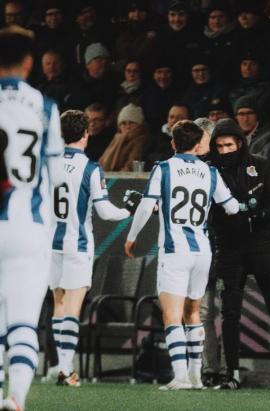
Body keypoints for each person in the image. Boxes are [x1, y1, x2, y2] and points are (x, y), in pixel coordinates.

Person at [124, 120, 239, 390]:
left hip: (175, 252)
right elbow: (232, 207)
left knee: (172, 316)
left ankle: (180, 377)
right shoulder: (210, 171)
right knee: (194, 313)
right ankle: (196, 376)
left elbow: (145, 207)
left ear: (173, 143)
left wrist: (131, 237)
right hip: (202, 252)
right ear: (199, 144)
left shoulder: (164, 168)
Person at [206, 118, 270, 390]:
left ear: (239, 142)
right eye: (220, 146)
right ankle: (232, 374)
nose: (225, 150)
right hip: (229, 249)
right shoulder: (210, 170)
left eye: (229, 144)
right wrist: (227, 218)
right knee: (230, 314)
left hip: (264, 247)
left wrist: (257, 215)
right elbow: (209, 211)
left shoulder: (260, 165)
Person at [0, 26, 66, 411]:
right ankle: (16, 398)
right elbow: (56, 178)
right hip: (28, 227)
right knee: (23, 320)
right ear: (29, 62)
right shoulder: (45, 107)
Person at [49, 110, 133, 387]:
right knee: (72, 307)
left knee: (58, 304)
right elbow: (106, 212)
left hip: (49, 245)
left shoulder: (46, 165)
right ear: (86, 133)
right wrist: (128, 210)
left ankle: (60, 367)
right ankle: (65, 369)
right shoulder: (90, 168)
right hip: (77, 244)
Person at [98, 103, 149, 172]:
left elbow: (130, 165)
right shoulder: (117, 138)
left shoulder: (140, 140)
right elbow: (102, 162)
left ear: (139, 124)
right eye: (123, 123)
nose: (127, 126)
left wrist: (112, 180)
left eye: (131, 123)